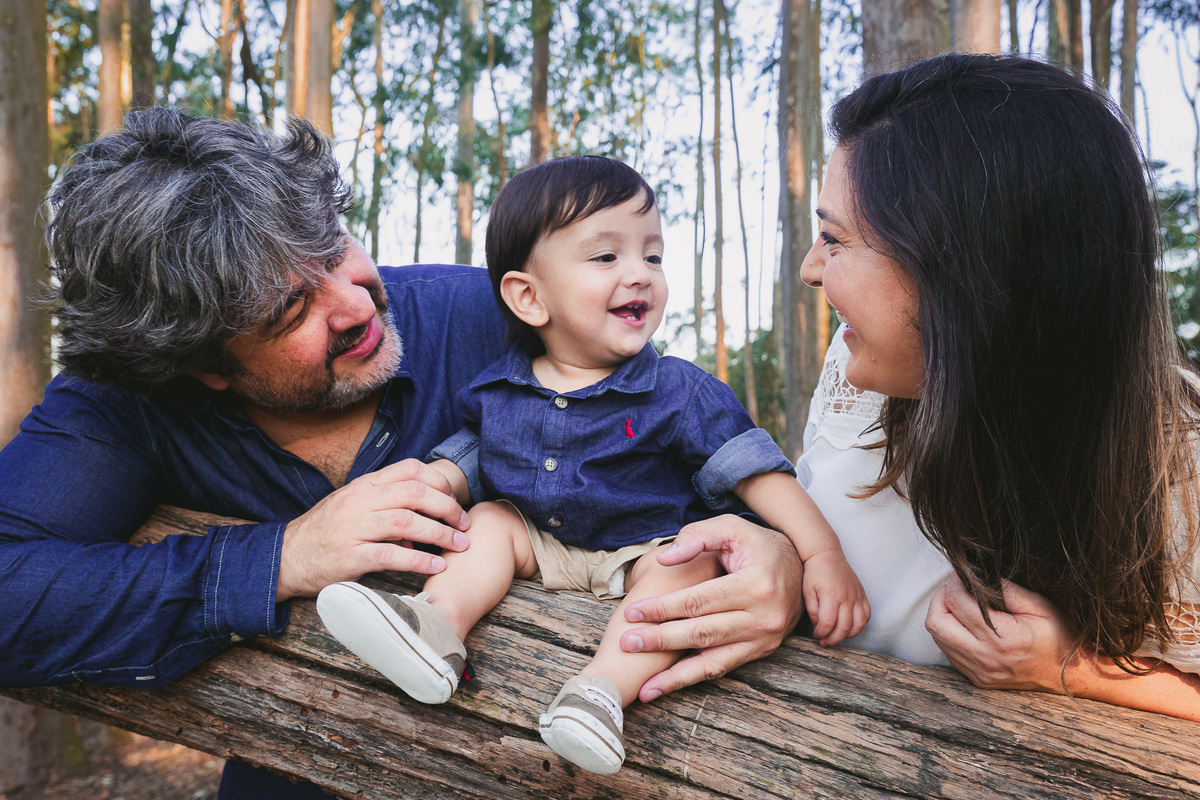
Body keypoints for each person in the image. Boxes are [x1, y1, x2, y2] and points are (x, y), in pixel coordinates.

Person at [0, 109, 810, 798]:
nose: (356, 304)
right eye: (291, 309)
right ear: (203, 364)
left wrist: (777, 556)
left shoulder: (500, 319)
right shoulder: (123, 401)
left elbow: (692, 464)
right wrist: (282, 556)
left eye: (333, 249)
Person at [316, 156, 870, 774]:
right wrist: (428, 485)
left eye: (652, 256)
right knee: (490, 523)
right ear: (529, 297)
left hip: (643, 552)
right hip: (540, 545)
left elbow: (755, 473)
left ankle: (600, 693)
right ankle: (435, 629)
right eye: (606, 258)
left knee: (688, 563)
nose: (639, 275)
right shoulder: (500, 387)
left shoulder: (678, 390)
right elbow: (470, 454)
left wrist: (822, 554)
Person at [798, 52, 1200, 720]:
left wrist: (1072, 668)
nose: (811, 269)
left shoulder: (1175, 455)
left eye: (834, 239)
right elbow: (810, 521)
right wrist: (778, 557)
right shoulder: (856, 367)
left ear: (961, 271)